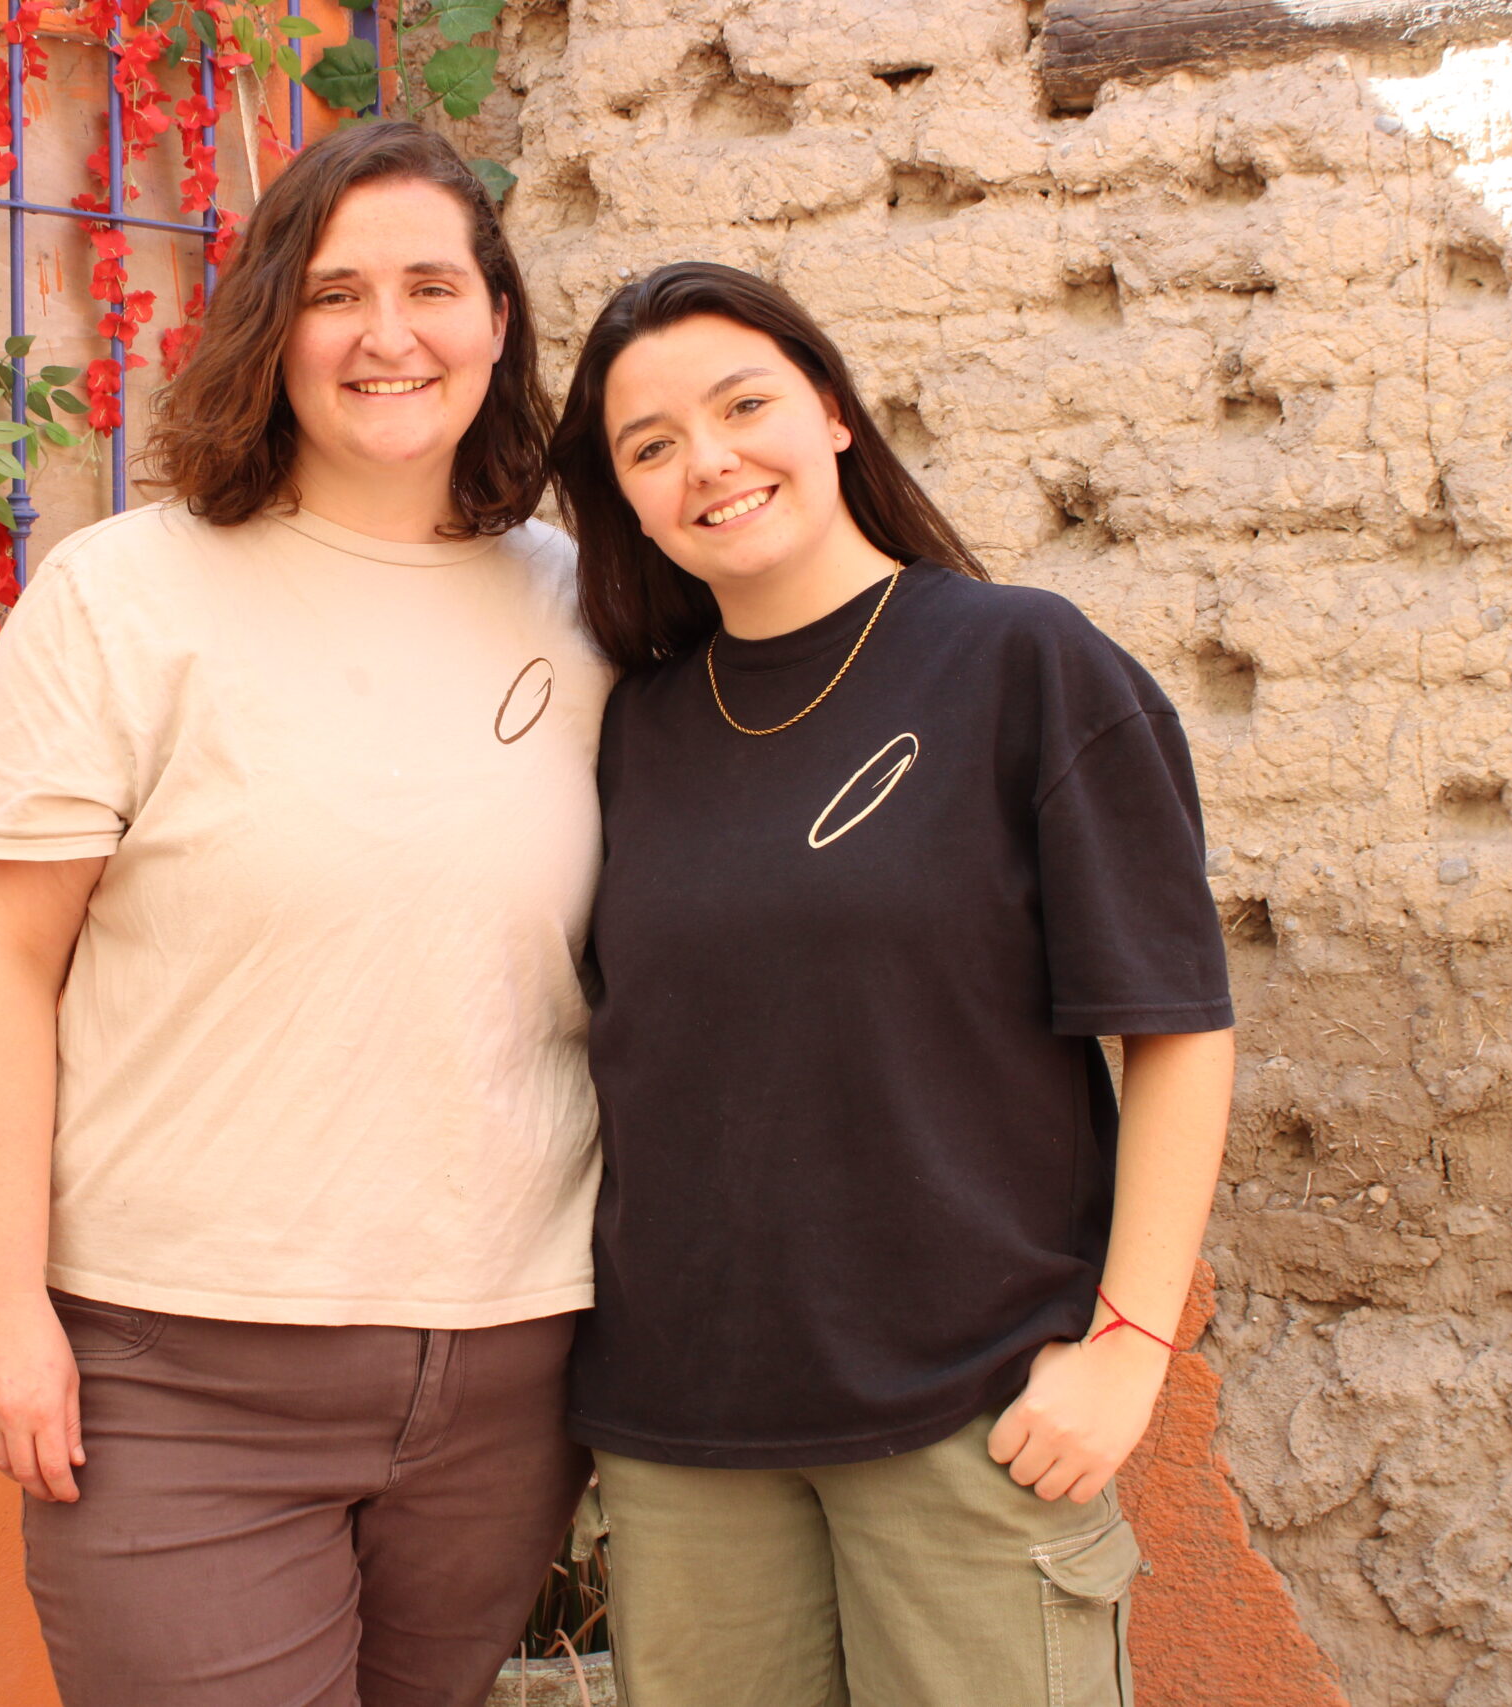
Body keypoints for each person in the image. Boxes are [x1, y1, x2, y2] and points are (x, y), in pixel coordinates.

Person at [0, 122, 603, 1707]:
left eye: (430, 287)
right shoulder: (123, 596)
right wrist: (1, 1300)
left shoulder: (586, 605)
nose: (387, 334)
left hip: (512, 1367)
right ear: (270, 328)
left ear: (496, 321)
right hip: (180, 1373)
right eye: (334, 293)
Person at [545, 261, 1237, 1707]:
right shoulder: (632, 731)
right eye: (651, 445)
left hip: (971, 1416)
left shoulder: (1022, 662)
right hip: (685, 1439)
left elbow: (1175, 1028)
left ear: (835, 413)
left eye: (745, 406)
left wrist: (1128, 1350)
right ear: (626, 502)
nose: (708, 462)